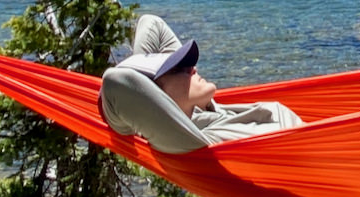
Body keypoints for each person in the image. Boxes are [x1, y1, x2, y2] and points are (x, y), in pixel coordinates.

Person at [114, 14, 304, 146]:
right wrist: (146, 113)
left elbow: (151, 23)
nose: (194, 69)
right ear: (156, 99)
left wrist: (150, 64)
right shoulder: (191, 138)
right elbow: (115, 82)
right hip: (323, 158)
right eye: (181, 69)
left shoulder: (205, 110)